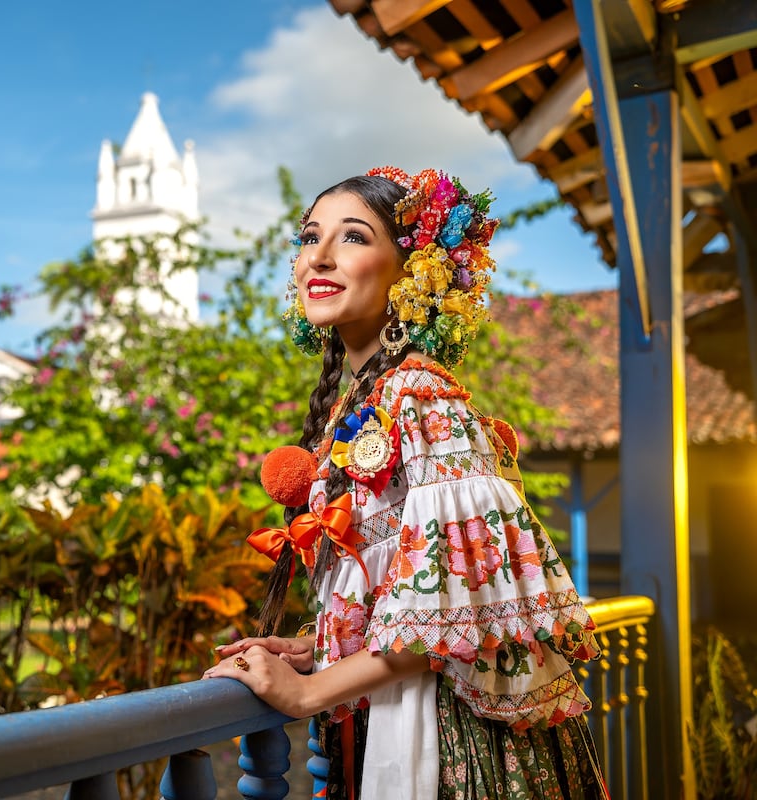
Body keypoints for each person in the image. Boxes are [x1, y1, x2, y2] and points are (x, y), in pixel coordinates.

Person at [203, 167, 608, 799]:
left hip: (443, 730)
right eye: (310, 237)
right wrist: (317, 644)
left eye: (355, 238)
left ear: (413, 272)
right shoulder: (368, 398)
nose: (321, 257)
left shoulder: (420, 392)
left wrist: (308, 692)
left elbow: (446, 607)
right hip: (387, 706)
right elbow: (400, 587)